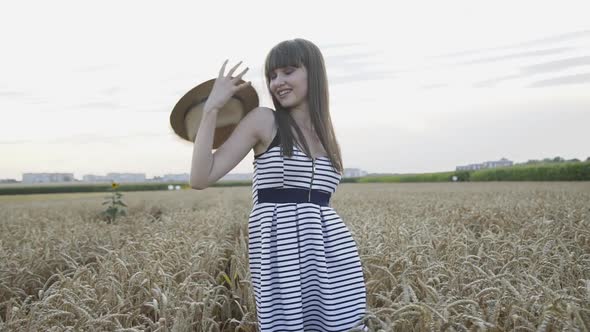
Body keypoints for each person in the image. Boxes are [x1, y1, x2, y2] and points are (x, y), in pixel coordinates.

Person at [190, 38, 368, 331]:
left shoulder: (328, 137)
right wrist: (211, 109)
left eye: (288, 71)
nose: (277, 82)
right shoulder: (264, 121)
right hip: (280, 254)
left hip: (334, 254)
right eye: (272, 75)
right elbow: (200, 178)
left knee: (342, 324)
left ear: (313, 73)